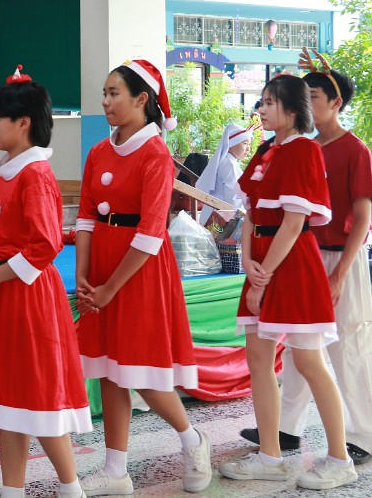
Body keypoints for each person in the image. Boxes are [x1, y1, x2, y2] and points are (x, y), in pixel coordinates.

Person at [75, 59, 212, 496]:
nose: (105, 101)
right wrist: (84, 277)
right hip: (102, 268)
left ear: (141, 99)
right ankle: (116, 470)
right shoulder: (99, 151)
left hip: (140, 270)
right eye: (105, 92)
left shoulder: (155, 154)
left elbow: (152, 231)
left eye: (114, 93)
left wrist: (110, 288)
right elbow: (85, 217)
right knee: (109, 369)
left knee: (141, 371)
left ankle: (193, 440)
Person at [218, 73, 358, 490]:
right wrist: (248, 261)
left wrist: (262, 276)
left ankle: (340, 459)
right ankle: (270, 455)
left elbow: (294, 223)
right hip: (261, 262)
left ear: (293, 110)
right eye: (261, 101)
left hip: (292, 266)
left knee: (311, 361)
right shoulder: (266, 150)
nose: (260, 109)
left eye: (269, 102)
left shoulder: (305, 151)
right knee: (258, 359)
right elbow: (250, 214)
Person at [0, 66, 91, 498]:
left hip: (30, 295)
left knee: (37, 398)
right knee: (8, 402)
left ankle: (72, 489)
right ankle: (12, 491)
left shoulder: (35, 174)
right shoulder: (5, 171)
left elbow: (45, 244)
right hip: (4, 293)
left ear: (23, 123)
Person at [196, 123, 252, 225]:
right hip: (219, 220)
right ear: (232, 144)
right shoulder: (229, 164)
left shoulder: (228, 162)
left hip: (215, 216)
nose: (248, 148)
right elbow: (233, 199)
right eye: (245, 143)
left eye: (249, 144)